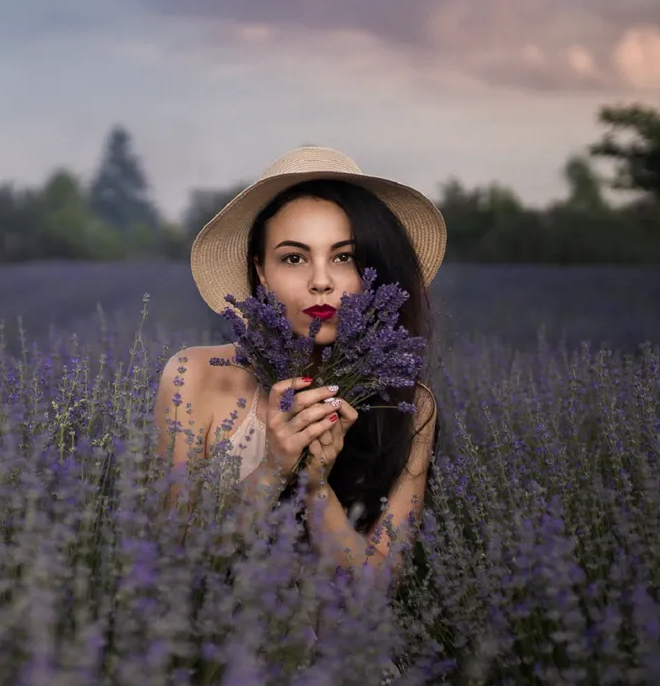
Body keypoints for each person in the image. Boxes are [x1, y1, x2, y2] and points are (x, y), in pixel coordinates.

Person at [153, 145, 445, 575]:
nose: (321, 282)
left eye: (344, 257)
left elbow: (375, 591)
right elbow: (171, 560)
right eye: (294, 257)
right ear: (262, 271)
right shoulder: (192, 376)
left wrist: (314, 484)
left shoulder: (407, 405)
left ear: (374, 272)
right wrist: (274, 465)